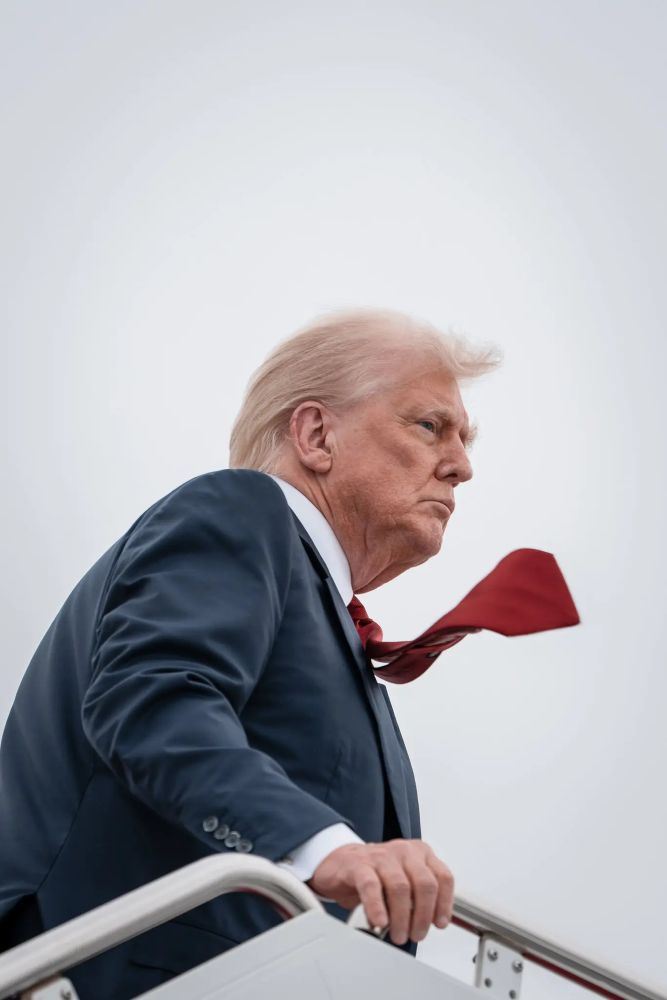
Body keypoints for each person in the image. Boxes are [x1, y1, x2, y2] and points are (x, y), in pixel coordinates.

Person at [0, 308, 500, 999]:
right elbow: (153, 703)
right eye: (429, 426)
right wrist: (323, 846)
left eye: (463, 439)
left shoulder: (325, 619)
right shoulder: (241, 510)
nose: (461, 466)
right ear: (316, 435)